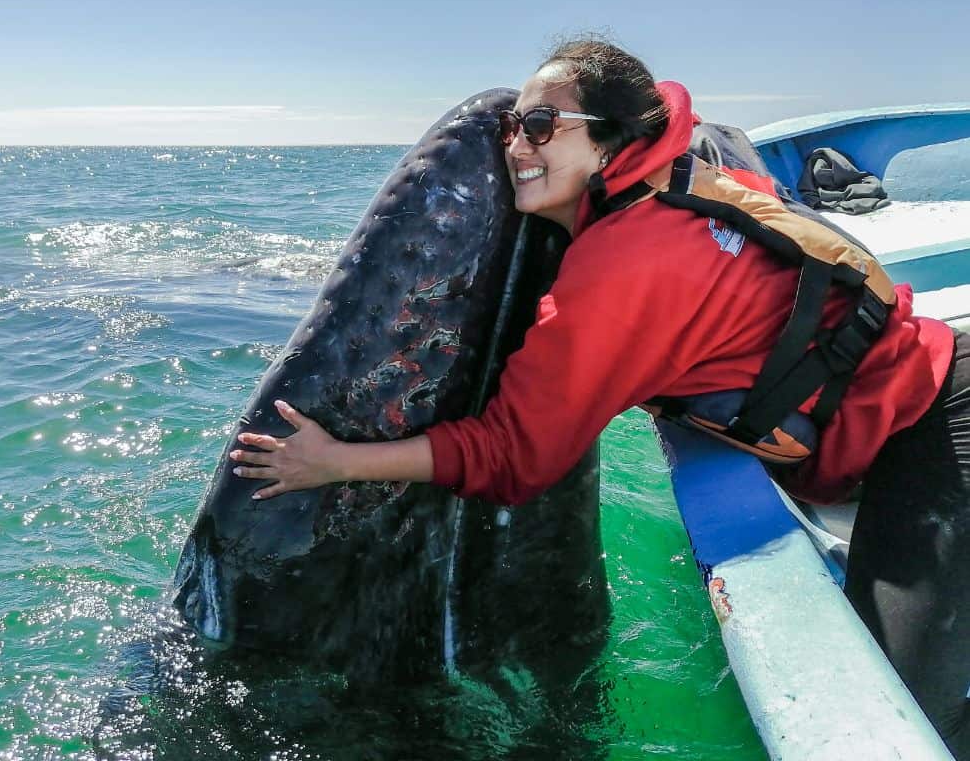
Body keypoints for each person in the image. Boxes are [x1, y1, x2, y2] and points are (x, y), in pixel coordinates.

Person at [228, 39, 968, 755]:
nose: (516, 145)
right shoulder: (680, 178)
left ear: (614, 139)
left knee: (910, 724)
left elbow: (515, 457)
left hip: (935, 422)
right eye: (513, 126)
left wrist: (334, 463)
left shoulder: (621, 269)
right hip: (920, 385)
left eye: (543, 126)